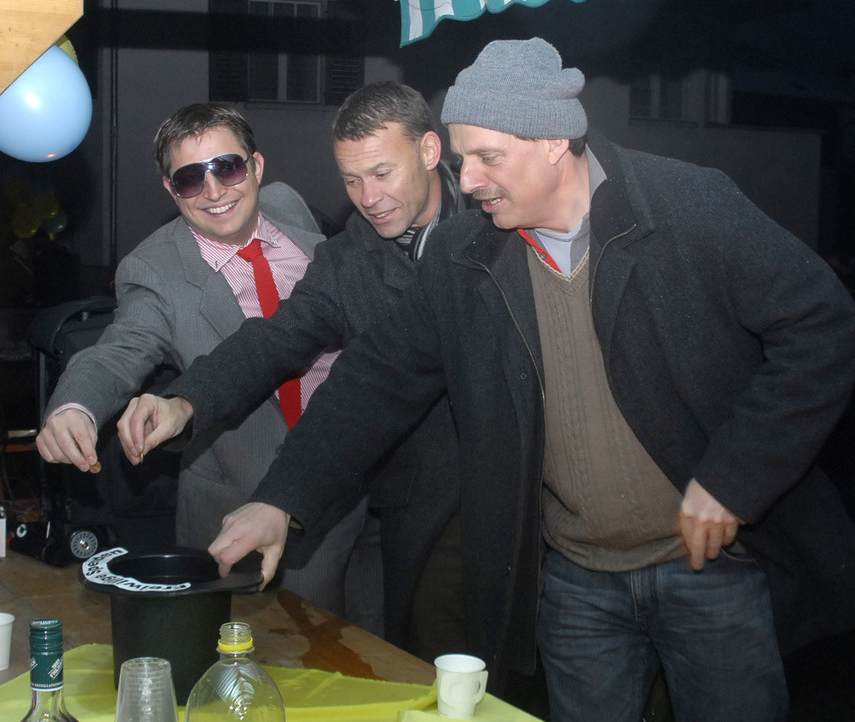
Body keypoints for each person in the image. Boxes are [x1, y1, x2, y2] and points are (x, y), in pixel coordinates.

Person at [181, 39, 855, 721]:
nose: (468, 179)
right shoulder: (467, 254)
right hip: (576, 583)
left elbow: (822, 325)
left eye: (488, 157)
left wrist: (738, 477)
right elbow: (373, 381)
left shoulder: (686, 205)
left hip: (709, 570)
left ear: (556, 141)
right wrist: (283, 497)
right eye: (464, 157)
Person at [117, 81, 467, 658]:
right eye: (351, 180)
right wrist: (185, 401)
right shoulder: (349, 258)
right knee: (427, 654)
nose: (368, 197)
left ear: (429, 151)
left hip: (532, 489)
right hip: (424, 502)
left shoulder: (496, 217)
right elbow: (277, 341)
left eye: (382, 173)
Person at [34, 103, 381, 628]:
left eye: (228, 167)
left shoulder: (289, 208)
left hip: (364, 478)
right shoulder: (155, 270)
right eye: (191, 178)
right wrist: (75, 407)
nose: (215, 191)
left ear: (256, 166)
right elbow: (119, 350)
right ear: (171, 190)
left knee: (381, 648)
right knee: (278, 657)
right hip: (250, 496)